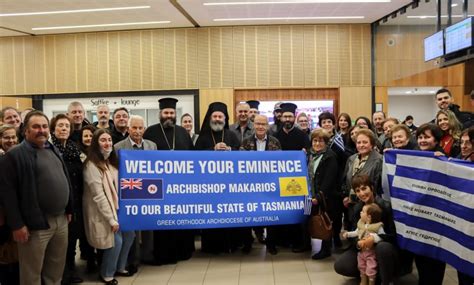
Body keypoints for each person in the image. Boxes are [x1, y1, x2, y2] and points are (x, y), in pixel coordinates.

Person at [0, 110, 73, 285]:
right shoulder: (15, 155)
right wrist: (17, 225)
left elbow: (65, 179)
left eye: (44, 126)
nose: (41, 130)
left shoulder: (52, 148)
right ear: (25, 130)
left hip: (61, 220)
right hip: (34, 226)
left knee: (55, 271)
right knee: (31, 274)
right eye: (36, 127)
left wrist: (69, 209)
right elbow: (7, 195)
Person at [144, 98, 195, 264]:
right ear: (160, 114)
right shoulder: (150, 132)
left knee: (181, 220)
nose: (169, 116)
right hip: (160, 187)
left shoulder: (182, 132)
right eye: (166, 113)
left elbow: (192, 158)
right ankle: (163, 254)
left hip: (181, 187)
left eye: (172, 113)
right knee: (164, 224)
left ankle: (183, 251)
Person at [83, 129, 135, 284]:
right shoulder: (91, 165)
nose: (107, 144)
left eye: (109, 140)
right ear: (95, 144)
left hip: (117, 207)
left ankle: (120, 267)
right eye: (103, 140)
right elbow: (98, 196)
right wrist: (111, 220)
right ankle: (107, 274)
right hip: (101, 211)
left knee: (130, 234)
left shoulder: (111, 162)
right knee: (116, 241)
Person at [49, 114, 93, 284]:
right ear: (53, 129)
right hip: (60, 202)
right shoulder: (50, 149)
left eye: (67, 126)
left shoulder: (74, 148)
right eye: (60, 126)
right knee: (62, 243)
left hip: (76, 200)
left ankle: (71, 270)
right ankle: (63, 273)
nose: (64, 129)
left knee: (73, 237)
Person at [195, 102, 242, 254]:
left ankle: (232, 245)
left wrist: (230, 150)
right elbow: (195, 158)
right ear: (210, 118)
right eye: (214, 116)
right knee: (211, 216)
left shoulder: (231, 135)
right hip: (209, 186)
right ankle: (211, 247)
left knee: (229, 215)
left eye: (220, 116)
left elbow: (241, 155)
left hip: (230, 185)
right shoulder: (203, 137)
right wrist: (212, 150)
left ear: (225, 118)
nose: (217, 119)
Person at [334, 175, 398, 285]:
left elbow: (392, 236)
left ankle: (386, 279)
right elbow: (354, 231)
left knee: (383, 248)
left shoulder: (385, 206)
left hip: (383, 249)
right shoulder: (358, 209)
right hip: (364, 251)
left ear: (372, 188)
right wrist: (359, 242)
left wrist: (374, 239)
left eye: (364, 188)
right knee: (341, 265)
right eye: (358, 191)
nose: (362, 194)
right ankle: (370, 274)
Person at [115, 115, 157, 272]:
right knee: (132, 229)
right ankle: (133, 259)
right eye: (134, 128)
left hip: (150, 191)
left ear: (144, 129)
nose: (137, 131)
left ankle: (148, 255)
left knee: (148, 225)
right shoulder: (118, 147)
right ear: (128, 129)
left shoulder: (152, 146)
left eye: (140, 128)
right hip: (129, 192)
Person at [411, 123, 447, 284]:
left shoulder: (443, 157)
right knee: (420, 254)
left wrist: (443, 162)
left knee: (436, 256)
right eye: (420, 137)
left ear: (436, 139)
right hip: (419, 216)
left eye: (427, 137)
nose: (422, 140)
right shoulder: (415, 156)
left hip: (437, 218)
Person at [240, 114, 282, 255]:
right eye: (257, 124)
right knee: (248, 213)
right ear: (254, 125)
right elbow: (240, 164)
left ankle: (271, 244)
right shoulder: (245, 142)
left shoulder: (275, 142)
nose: (260, 127)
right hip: (250, 186)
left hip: (270, 185)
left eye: (263, 124)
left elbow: (280, 163)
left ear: (267, 126)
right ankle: (247, 243)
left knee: (271, 214)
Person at [274, 103, 310, 252]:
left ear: (294, 118)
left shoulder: (302, 135)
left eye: (290, 116)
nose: (287, 119)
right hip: (278, 179)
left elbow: (309, 153)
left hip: (297, 181)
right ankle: (282, 240)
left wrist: (305, 153)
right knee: (281, 208)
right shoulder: (275, 136)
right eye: (285, 116)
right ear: (281, 118)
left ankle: (297, 241)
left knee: (295, 210)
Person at [307, 129, 340, 260]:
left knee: (324, 222)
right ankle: (306, 244)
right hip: (310, 194)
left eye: (321, 141)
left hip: (325, 197)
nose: (317, 143)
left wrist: (319, 197)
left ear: (326, 142)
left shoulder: (330, 156)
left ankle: (325, 249)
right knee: (310, 220)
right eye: (315, 140)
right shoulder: (309, 155)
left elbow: (329, 180)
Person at [342, 129, 383, 230]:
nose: (361, 145)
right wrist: (346, 195)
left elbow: (379, 185)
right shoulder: (352, 158)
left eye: (365, 142)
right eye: (358, 142)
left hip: (370, 205)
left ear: (372, 144)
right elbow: (345, 179)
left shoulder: (379, 160)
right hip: (351, 203)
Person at [342, 203, 385, 285]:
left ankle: (371, 282)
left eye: (363, 211)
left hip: (371, 253)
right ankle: (363, 280)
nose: (360, 212)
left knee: (371, 268)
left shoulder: (377, 226)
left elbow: (382, 236)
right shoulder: (361, 224)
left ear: (369, 217)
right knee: (361, 266)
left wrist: (373, 237)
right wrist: (348, 234)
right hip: (361, 252)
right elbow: (356, 232)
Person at [0, 124, 19, 285]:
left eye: (13, 137)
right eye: (6, 137)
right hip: (3, 217)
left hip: (18, 216)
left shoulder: (19, 157)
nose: (11, 140)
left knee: (17, 258)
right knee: (5, 258)